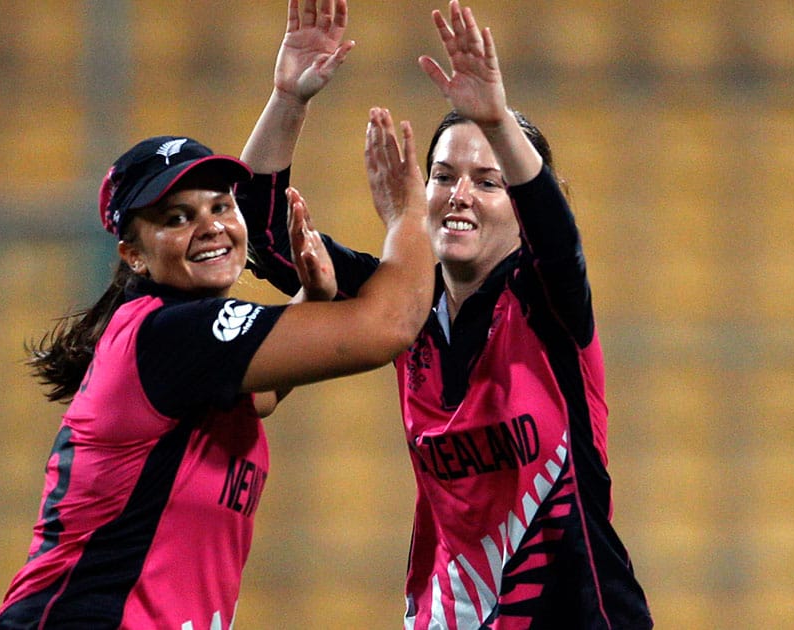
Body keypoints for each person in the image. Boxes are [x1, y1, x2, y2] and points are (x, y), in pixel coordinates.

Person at [241, 1, 653, 628]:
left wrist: (495, 116)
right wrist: (287, 99)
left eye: (488, 182)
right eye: (442, 175)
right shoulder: (403, 300)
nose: (459, 194)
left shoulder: (546, 304)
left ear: (519, 208)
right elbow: (267, 240)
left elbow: (559, 241)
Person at [0, 90, 433, 630]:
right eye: (177, 217)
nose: (211, 226)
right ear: (134, 255)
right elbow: (389, 326)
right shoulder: (170, 334)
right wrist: (408, 213)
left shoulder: (174, 342)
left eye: (220, 205)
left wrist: (289, 96)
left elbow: (258, 398)